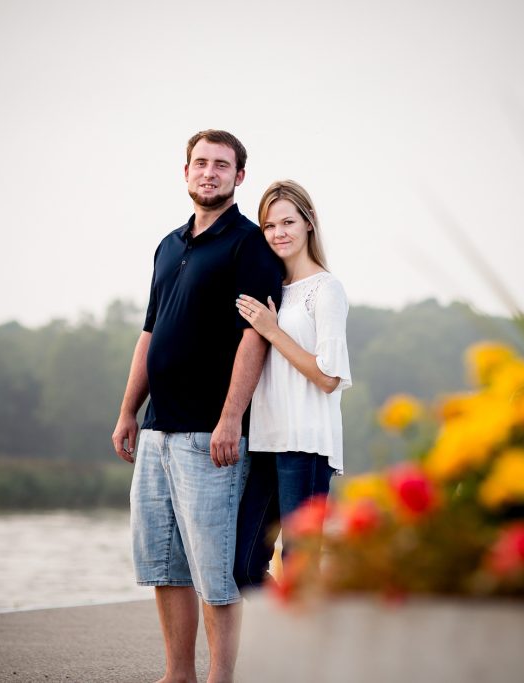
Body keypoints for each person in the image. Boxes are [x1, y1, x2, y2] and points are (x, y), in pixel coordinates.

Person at [111, 130, 283, 683]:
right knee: (164, 563)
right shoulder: (168, 245)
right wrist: (128, 411)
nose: (209, 172)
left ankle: (219, 678)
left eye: (221, 165)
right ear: (185, 171)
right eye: (201, 163)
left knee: (214, 569)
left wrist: (230, 417)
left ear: (239, 176)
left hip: (210, 435)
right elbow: (149, 333)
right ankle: (177, 675)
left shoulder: (249, 244)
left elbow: (255, 336)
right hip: (158, 429)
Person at [233, 179, 352, 590]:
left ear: (309, 223)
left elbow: (328, 376)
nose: (278, 233)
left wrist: (272, 330)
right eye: (269, 225)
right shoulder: (273, 288)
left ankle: (304, 630)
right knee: (243, 566)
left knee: (299, 568)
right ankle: (293, 624)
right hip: (266, 441)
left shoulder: (326, 289)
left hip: (306, 444)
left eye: (287, 222)